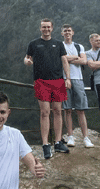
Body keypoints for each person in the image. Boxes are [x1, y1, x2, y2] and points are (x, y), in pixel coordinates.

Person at [23, 18, 71, 159]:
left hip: (57, 80)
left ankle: (57, 142)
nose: (46, 29)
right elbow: (26, 58)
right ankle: (45, 144)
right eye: (43, 27)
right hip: (41, 81)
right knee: (44, 112)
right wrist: (27, 61)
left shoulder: (58, 44)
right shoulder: (33, 44)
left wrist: (67, 78)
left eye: (48, 27)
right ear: (40, 28)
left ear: (52, 28)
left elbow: (64, 61)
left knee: (58, 111)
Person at [60, 24, 94, 148]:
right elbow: (59, 59)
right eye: (65, 31)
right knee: (67, 109)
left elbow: (84, 61)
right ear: (62, 33)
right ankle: (70, 137)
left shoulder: (79, 46)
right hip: (63, 80)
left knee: (81, 110)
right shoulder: (60, 46)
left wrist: (67, 59)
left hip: (78, 79)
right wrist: (75, 58)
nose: (67, 32)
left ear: (73, 32)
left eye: (69, 30)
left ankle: (86, 138)